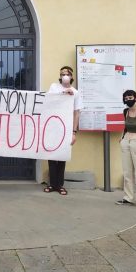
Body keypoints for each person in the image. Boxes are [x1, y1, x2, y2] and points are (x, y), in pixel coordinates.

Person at [44, 66, 81, 195]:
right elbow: (49, 100)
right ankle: (51, 184)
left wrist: (74, 132)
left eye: (66, 74)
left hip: (67, 128)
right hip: (53, 126)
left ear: (71, 76)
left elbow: (76, 113)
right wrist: (64, 94)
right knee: (52, 156)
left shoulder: (76, 92)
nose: (64, 76)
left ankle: (59, 185)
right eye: (62, 74)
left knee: (62, 156)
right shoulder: (54, 87)